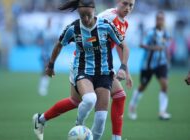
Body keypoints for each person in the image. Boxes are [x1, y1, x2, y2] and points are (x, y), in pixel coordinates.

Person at [33, 0, 135, 140]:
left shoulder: (116, 24)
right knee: (87, 100)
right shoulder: (105, 18)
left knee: (99, 111)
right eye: (125, 3)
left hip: (104, 69)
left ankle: (41, 119)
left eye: (131, 5)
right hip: (81, 66)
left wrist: (124, 69)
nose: (128, 8)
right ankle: (79, 125)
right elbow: (58, 44)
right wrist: (50, 65)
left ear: (93, 11)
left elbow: (122, 46)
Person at [128, 11, 172, 120]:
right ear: (156, 20)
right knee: (142, 87)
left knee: (164, 85)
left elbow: (165, 47)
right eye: (158, 19)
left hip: (161, 63)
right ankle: (132, 106)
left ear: (164, 20)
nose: (160, 21)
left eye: (161, 19)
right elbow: (142, 44)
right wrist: (153, 48)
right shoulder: (150, 33)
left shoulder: (166, 33)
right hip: (148, 65)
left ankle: (162, 112)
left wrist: (168, 60)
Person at [37, 18, 57, 96]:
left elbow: (56, 40)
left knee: (48, 70)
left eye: (50, 22)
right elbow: (38, 40)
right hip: (44, 53)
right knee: (46, 68)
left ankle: (43, 86)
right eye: (48, 22)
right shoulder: (43, 31)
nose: (49, 23)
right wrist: (40, 42)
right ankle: (42, 87)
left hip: (50, 53)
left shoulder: (52, 31)